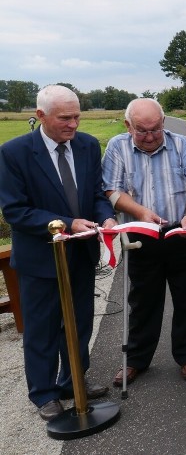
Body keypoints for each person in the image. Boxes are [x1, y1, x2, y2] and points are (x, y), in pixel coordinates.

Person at [0, 85, 115, 421]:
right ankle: (44, 393)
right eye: (65, 118)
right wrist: (67, 223)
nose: (74, 125)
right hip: (40, 259)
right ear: (40, 116)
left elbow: (96, 193)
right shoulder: (14, 152)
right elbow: (16, 211)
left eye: (77, 116)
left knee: (78, 324)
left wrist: (105, 215)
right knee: (42, 328)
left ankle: (72, 381)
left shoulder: (88, 146)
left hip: (80, 255)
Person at [102, 98, 186, 387]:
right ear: (128, 126)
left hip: (182, 230)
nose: (150, 137)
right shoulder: (117, 147)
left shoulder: (181, 144)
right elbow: (112, 190)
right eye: (142, 131)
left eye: (155, 129)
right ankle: (136, 359)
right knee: (142, 300)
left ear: (163, 123)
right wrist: (139, 212)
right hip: (140, 235)